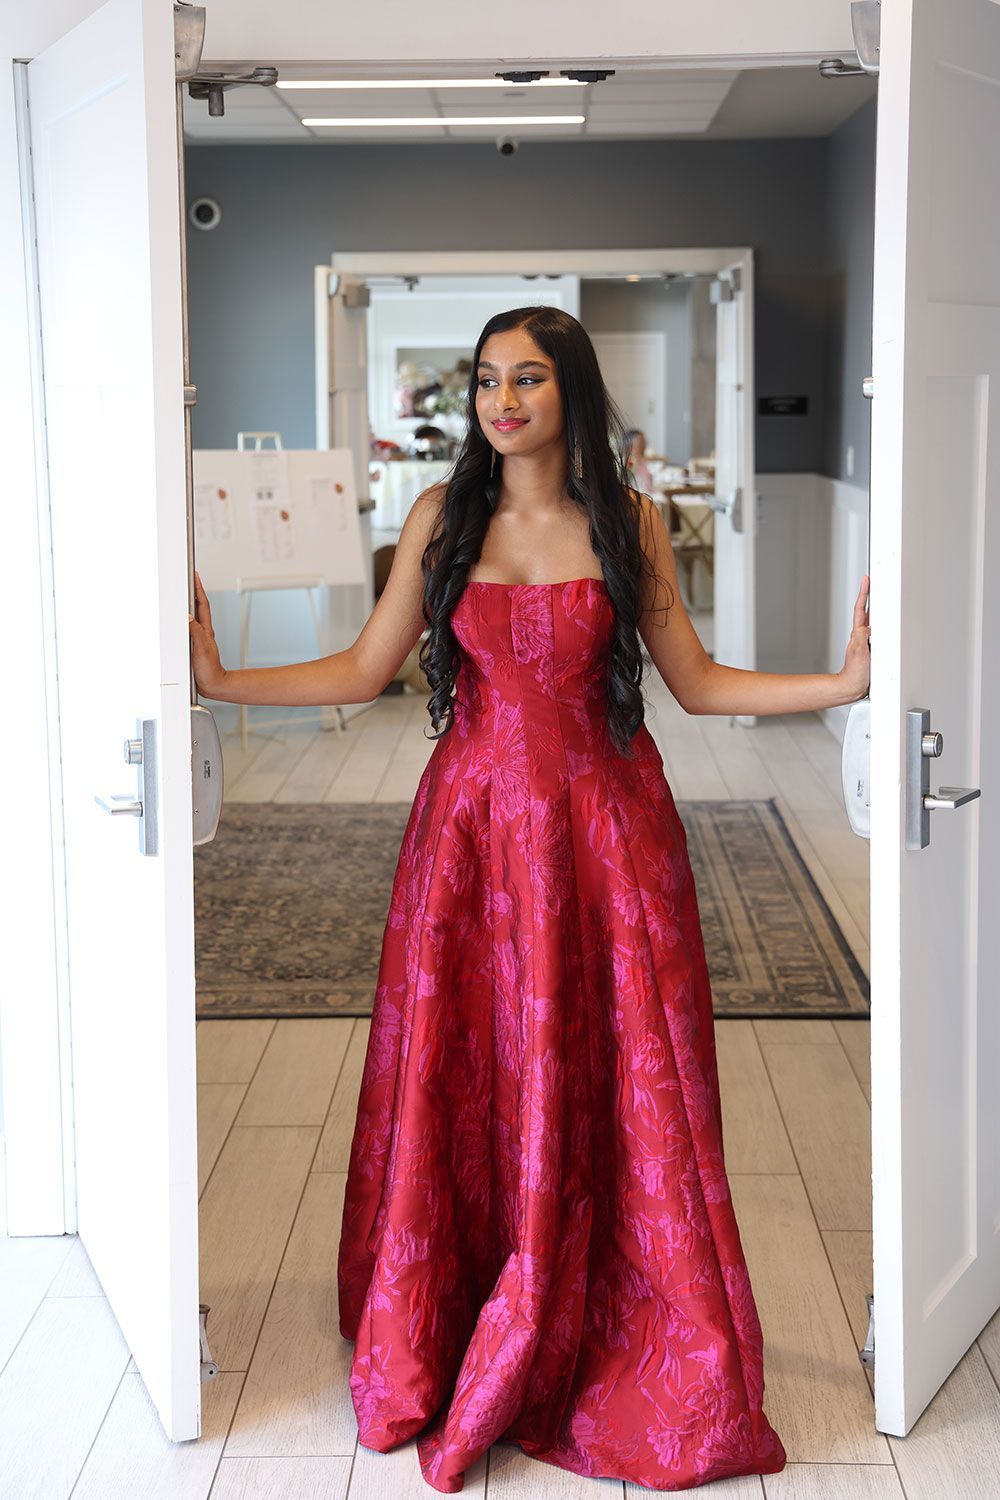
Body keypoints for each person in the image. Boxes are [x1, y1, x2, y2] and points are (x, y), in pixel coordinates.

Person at [189, 305, 871, 1495]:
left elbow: (699, 688)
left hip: (610, 839)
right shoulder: (443, 517)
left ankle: (598, 1308)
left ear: (573, 392)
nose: (503, 401)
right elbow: (362, 668)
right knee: (473, 1062)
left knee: (616, 1076)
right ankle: (467, 1298)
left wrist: (848, 682)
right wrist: (216, 678)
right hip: (468, 840)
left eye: (530, 379)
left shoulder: (630, 523)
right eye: (488, 381)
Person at [623, 426, 655, 493]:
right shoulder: (629, 463)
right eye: (640, 442)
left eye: (644, 441)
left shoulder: (645, 461)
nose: (644, 445)